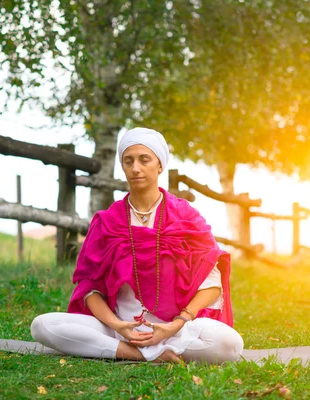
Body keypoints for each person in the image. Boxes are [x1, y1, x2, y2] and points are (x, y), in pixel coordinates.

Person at [31, 127, 244, 364]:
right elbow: (89, 287)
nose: (135, 168)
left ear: (159, 165)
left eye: (144, 160)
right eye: (128, 161)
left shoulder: (186, 216)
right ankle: (140, 354)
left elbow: (212, 284)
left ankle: (152, 349)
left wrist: (177, 324)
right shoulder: (106, 221)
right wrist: (117, 325)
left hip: (176, 330)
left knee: (230, 344)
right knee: (42, 326)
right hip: (120, 330)